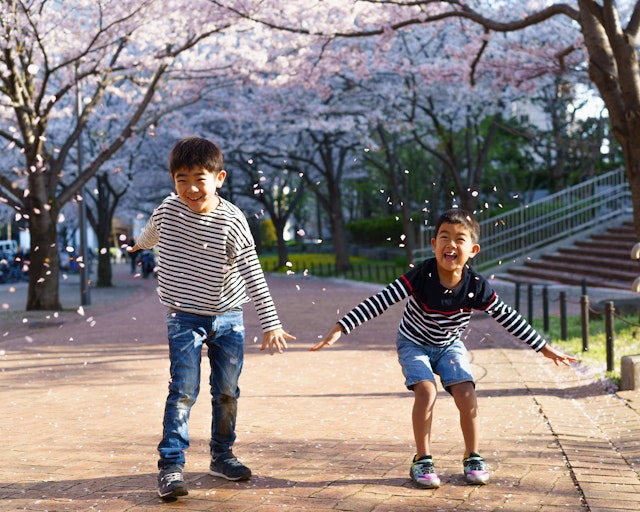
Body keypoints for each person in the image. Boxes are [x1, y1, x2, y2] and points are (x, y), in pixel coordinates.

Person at [311, 208, 577, 489]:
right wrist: (342, 327)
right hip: (413, 343)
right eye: (444, 237)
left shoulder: (476, 286)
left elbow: (508, 316)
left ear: (472, 250)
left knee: (466, 392)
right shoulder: (420, 276)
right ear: (433, 244)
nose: (451, 244)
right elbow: (381, 300)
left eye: (459, 239)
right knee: (426, 391)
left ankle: (472, 456)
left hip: (449, 346)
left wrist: (543, 347)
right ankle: (422, 460)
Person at [128, 136, 295, 500]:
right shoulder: (167, 211)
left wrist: (271, 322)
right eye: (181, 179)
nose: (190, 188)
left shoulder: (232, 220)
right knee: (183, 389)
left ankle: (222, 455)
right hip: (183, 316)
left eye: (199, 179)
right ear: (173, 181)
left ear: (218, 178)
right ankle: (171, 466)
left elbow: (252, 271)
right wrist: (139, 244)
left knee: (226, 392)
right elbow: (150, 234)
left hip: (228, 316)